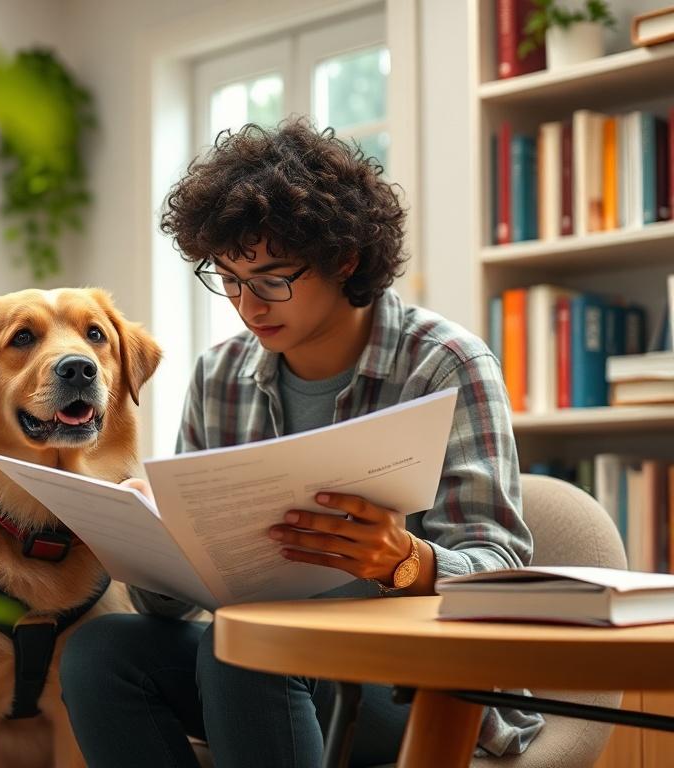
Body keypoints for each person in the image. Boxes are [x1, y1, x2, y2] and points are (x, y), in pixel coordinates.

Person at [58, 119, 543, 768]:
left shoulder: (444, 364)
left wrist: (404, 558)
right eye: (228, 278)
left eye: (272, 278)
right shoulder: (219, 375)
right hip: (258, 666)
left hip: (416, 680)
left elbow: (503, 570)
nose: (247, 304)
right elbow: (170, 606)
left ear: (344, 258)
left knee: (247, 647)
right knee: (102, 651)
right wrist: (147, 539)